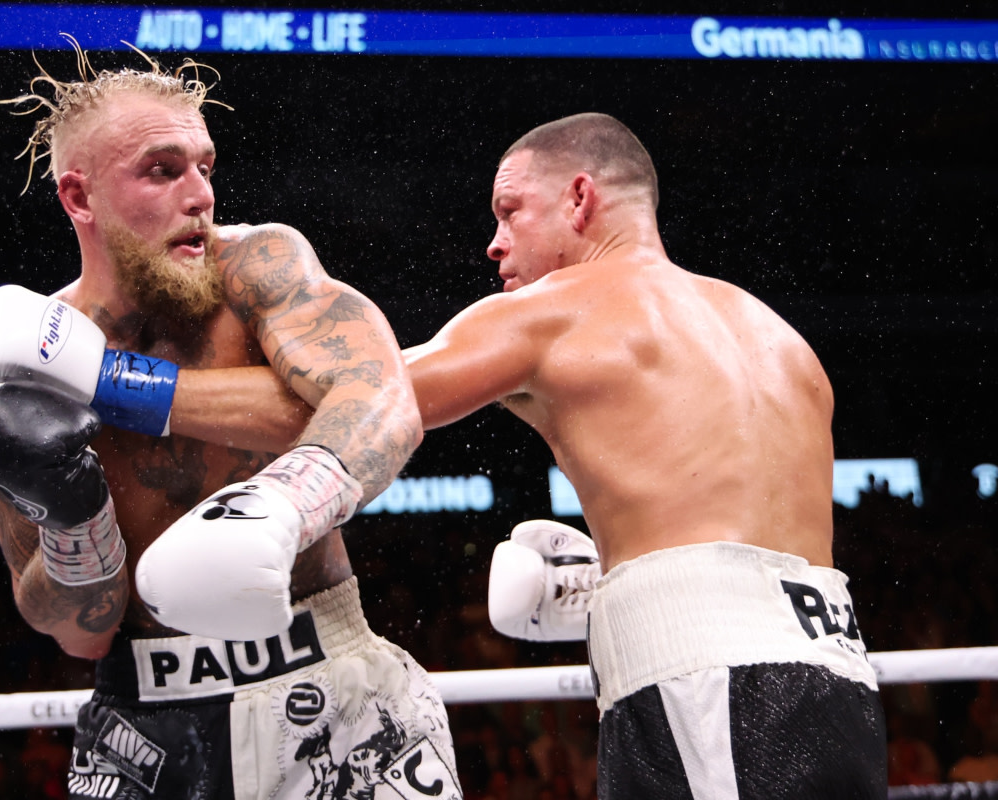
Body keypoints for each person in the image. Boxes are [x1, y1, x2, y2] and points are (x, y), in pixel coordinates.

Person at [219, 112, 888, 797]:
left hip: (714, 694)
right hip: (840, 686)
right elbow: (747, 541)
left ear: (579, 197)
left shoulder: (550, 315)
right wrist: (618, 588)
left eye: (510, 212)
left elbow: (360, 408)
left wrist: (133, 387)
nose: (494, 244)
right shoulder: (778, 336)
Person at [0, 40, 461, 799]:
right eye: (162, 170)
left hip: (330, 680)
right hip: (144, 724)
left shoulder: (259, 266)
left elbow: (380, 399)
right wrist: (74, 529)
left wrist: (113, 384)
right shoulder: (10, 383)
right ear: (79, 198)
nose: (201, 194)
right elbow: (76, 630)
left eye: (204, 166)